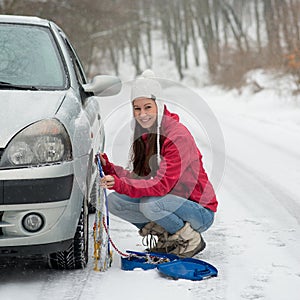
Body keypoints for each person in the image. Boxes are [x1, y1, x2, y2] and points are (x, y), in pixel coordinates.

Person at [98, 70, 217, 258]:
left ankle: (190, 239)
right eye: (137, 109)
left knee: (150, 204)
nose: (142, 114)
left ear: (159, 105)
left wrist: (120, 183)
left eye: (147, 107)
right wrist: (111, 169)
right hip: (170, 202)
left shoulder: (177, 137)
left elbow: (161, 186)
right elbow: (142, 180)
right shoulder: (147, 134)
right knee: (115, 201)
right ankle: (166, 237)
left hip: (199, 210)